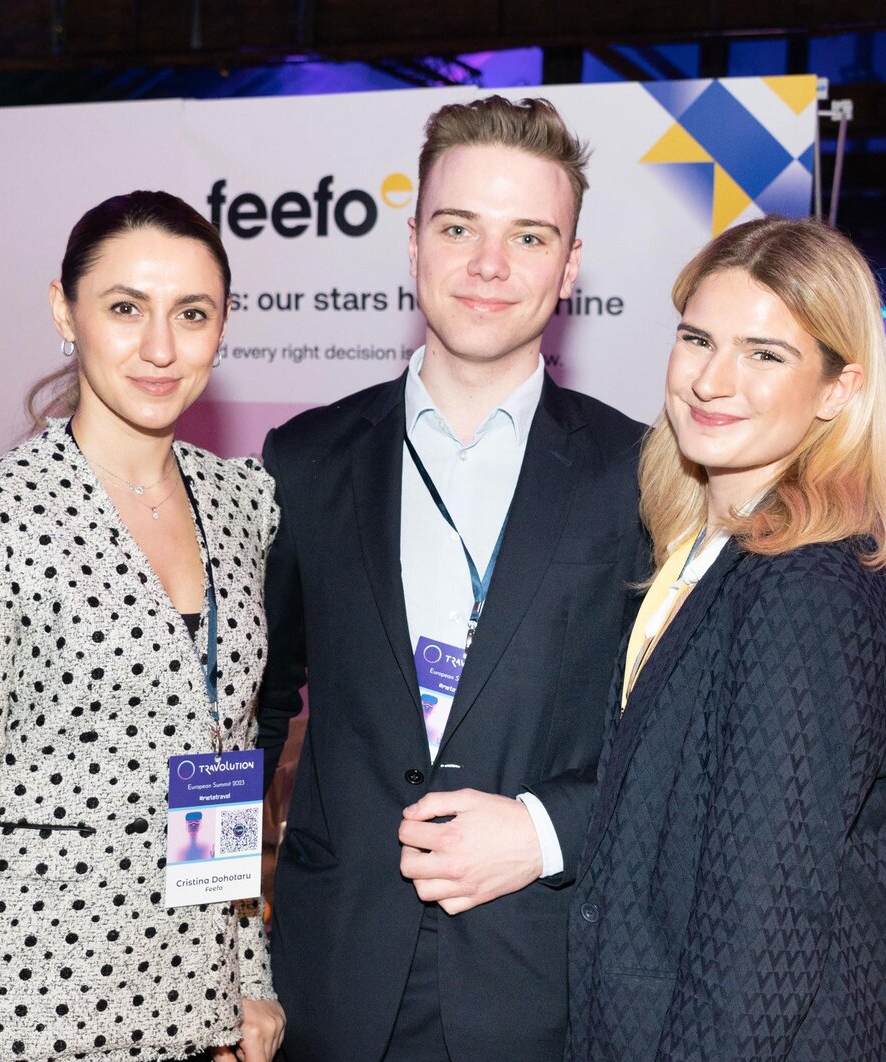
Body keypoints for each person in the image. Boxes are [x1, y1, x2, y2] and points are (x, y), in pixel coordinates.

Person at [257, 96, 647, 1061]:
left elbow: (682, 738)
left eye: (529, 236)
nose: (488, 265)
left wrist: (546, 830)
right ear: (413, 243)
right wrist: (219, 951)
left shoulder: (642, 476)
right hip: (328, 981)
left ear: (570, 265)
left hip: (546, 984)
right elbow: (245, 720)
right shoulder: (303, 460)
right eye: (459, 227)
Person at [0, 190, 286, 1062]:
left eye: (192, 313)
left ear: (223, 326)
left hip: (193, 1008)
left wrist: (246, 974)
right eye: (126, 308)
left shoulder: (238, 503)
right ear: (66, 311)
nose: (161, 348)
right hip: (28, 1012)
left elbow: (227, 757)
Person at [566, 216, 886, 1060]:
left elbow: (761, 928)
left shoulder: (802, 584)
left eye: (765, 354)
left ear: (837, 389)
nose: (711, 380)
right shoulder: (698, 547)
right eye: (698, 339)